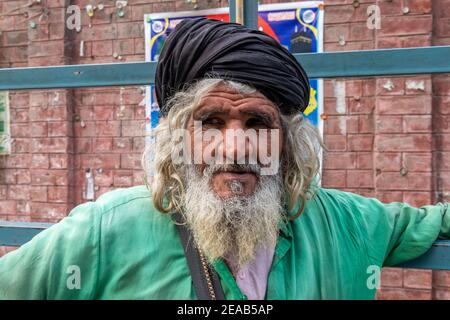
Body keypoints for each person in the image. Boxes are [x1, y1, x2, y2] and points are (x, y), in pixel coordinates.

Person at [0, 18, 448, 300]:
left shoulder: (345, 224)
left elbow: (430, 221)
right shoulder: (108, 229)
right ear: (179, 139)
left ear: (287, 144)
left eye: (257, 124)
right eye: (211, 122)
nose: (236, 149)